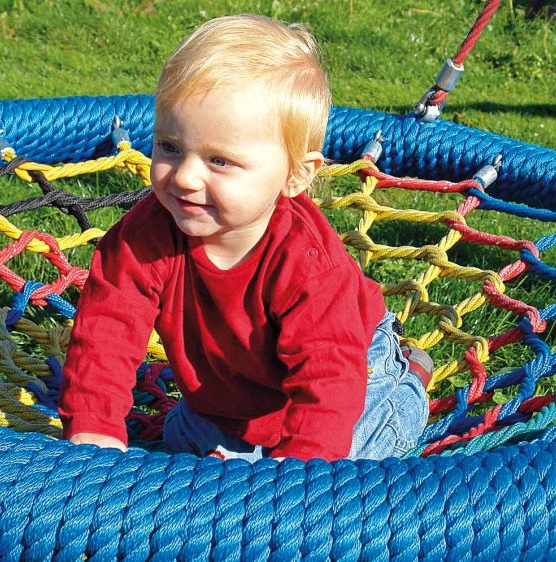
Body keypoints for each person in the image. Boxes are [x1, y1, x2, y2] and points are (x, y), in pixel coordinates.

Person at [57, 14, 432, 462]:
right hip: (228, 393)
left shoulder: (308, 267)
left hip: (354, 372)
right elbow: (106, 332)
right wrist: (95, 427)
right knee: (183, 443)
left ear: (295, 174)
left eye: (219, 161)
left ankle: (410, 377)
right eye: (170, 147)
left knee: (358, 458)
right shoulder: (143, 238)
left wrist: (296, 478)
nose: (186, 177)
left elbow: (326, 387)